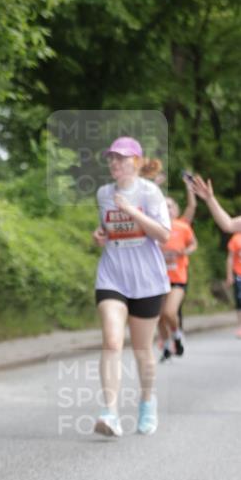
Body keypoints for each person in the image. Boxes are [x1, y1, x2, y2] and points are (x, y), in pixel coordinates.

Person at [91, 137, 171, 437]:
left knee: (142, 350)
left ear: (136, 162)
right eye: (111, 158)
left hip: (148, 281)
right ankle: (109, 412)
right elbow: (107, 230)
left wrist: (133, 211)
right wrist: (99, 235)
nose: (114, 163)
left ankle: (147, 402)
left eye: (121, 158)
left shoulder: (150, 193)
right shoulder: (103, 193)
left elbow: (163, 235)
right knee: (112, 341)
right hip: (112, 276)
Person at [157, 197, 198, 361]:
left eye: (170, 206)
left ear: (176, 210)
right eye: (164, 206)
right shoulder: (155, 227)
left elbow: (193, 244)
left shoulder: (182, 227)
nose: (167, 209)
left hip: (177, 277)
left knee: (169, 312)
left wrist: (185, 251)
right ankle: (167, 346)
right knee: (159, 316)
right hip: (158, 278)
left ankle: (177, 335)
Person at [226, 231, 241, 338]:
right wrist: (229, 275)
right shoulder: (236, 238)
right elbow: (230, 258)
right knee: (239, 301)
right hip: (239, 275)